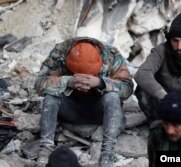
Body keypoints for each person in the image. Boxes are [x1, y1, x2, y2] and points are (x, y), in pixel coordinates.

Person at [34, 37, 134, 167]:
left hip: (99, 111)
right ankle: (45, 149)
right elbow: (38, 84)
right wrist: (68, 81)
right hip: (70, 109)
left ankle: (107, 152)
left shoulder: (111, 55)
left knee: (112, 97)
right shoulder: (60, 52)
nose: (83, 79)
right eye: (78, 74)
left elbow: (128, 88)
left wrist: (100, 82)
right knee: (51, 96)